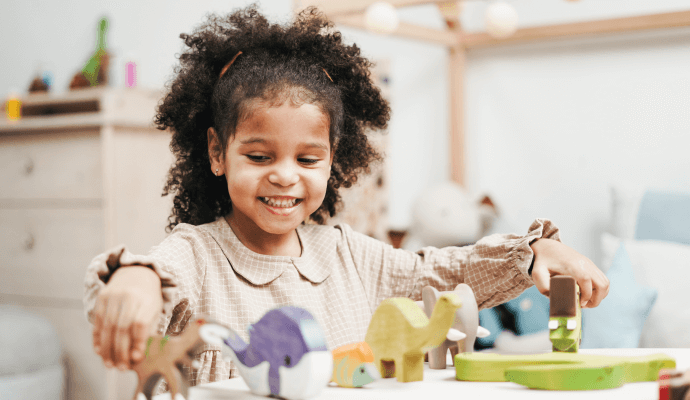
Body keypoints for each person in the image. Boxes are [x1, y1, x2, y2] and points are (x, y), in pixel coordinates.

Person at [83, 4, 609, 391]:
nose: (285, 177)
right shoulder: (195, 254)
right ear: (218, 154)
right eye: (260, 157)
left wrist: (533, 252)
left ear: (334, 158)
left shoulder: (349, 255)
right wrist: (133, 280)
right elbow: (150, 277)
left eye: (307, 160)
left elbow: (444, 275)